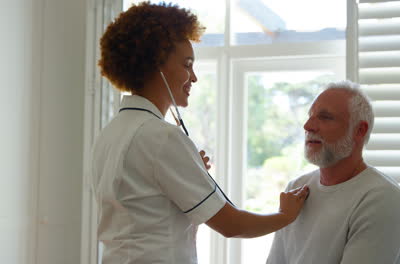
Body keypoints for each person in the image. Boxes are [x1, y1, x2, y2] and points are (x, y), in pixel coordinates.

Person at [90, 2, 309, 264]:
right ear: (155, 64)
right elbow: (231, 225)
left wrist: (188, 175)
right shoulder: (162, 138)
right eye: (187, 64)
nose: (193, 77)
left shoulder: (111, 133)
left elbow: (145, 209)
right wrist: (285, 216)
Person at [266, 81, 400, 264]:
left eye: (325, 117)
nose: (308, 125)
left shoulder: (381, 198)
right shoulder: (296, 189)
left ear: (360, 130)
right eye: (310, 116)